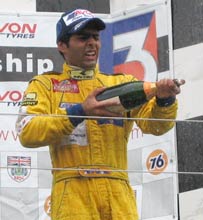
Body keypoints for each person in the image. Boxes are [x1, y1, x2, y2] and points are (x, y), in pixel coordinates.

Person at [16, 9, 184, 220]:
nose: (91, 43)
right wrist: (79, 112)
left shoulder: (121, 83)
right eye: (82, 37)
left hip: (118, 194)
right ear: (62, 45)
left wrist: (164, 99)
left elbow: (156, 126)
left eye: (95, 37)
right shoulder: (45, 85)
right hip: (73, 193)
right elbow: (27, 132)